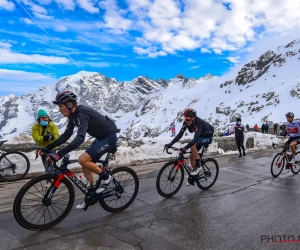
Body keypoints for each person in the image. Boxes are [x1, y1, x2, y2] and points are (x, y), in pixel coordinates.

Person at [38, 90, 119, 209]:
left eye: (61, 106)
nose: (59, 110)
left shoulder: (82, 113)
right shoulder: (72, 117)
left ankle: (107, 177)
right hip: (100, 138)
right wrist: (47, 148)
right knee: (85, 165)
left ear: (70, 105)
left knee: (83, 159)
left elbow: (80, 138)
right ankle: (90, 192)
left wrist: (59, 154)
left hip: (109, 137)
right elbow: (65, 136)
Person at [164, 108, 214, 178]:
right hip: (200, 136)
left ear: (193, 118)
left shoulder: (198, 123)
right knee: (191, 156)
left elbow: (195, 139)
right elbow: (179, 135)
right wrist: (170, 144)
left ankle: (198, 166)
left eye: (188, 120)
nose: (186, 121)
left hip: (207, 137)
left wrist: (185, 148)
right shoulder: (186, 123)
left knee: (192, 146)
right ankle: (195, 174)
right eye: (185, 119)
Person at [32, 109, 59, 174]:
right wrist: (43, 138)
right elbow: (35, 137)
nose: (45, 119)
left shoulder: (52, 125)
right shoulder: (35, 127)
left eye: (46, 117)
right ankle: (50, 179)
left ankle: (55, 178)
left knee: (52, 163)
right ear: (39, 119)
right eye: (43, 117)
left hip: (52, 148)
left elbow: (57, 135)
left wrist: (52, 137)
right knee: (46, 165)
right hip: (43, 149)